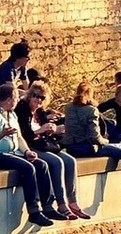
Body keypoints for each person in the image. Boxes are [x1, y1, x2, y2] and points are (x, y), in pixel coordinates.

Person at [17, 81, 87, 219]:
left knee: (70, 161)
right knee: (56, 163)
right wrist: (41, 130)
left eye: (42, 98)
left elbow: (44, 132)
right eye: (36, 96)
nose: (38, 100)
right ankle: (61, 204)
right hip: (30, 146)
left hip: (44, 144)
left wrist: (53, 130)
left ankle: (72, 201)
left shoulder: (40, 112)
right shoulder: (22, 110)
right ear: (30, 95)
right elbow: (24, 135)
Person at [65, 82, 121, 203]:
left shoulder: (69, 107)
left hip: (72, 148)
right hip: (88, 148)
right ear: (91, 94)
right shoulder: (91, 110)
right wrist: (106, 140)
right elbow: (95, 138)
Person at [0, 83, 59, 226]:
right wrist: (2, 134)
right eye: (15, 98)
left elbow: (19, 137)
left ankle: (48, 206)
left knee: (41, 164)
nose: (17, 101)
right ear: (8, 99)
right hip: (2, 154)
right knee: (28, 168)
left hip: (14, 152)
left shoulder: (12, 114)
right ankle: (34, 211)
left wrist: (27, 151)